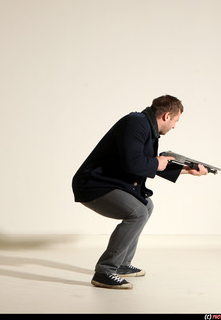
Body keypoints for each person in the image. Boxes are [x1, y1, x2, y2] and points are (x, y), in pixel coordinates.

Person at [72, 95, 208, 289]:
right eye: (176, 121)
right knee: (137, 212)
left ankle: (121, 264)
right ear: (167, 116)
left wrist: (186, 170)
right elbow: (134, 163)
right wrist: (157, 162)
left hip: (108, 182)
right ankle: (105, 271)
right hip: (92, 184)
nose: (175, 127)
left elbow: (143, 163)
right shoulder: (136, 123)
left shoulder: (146, 127)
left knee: (146, 205)